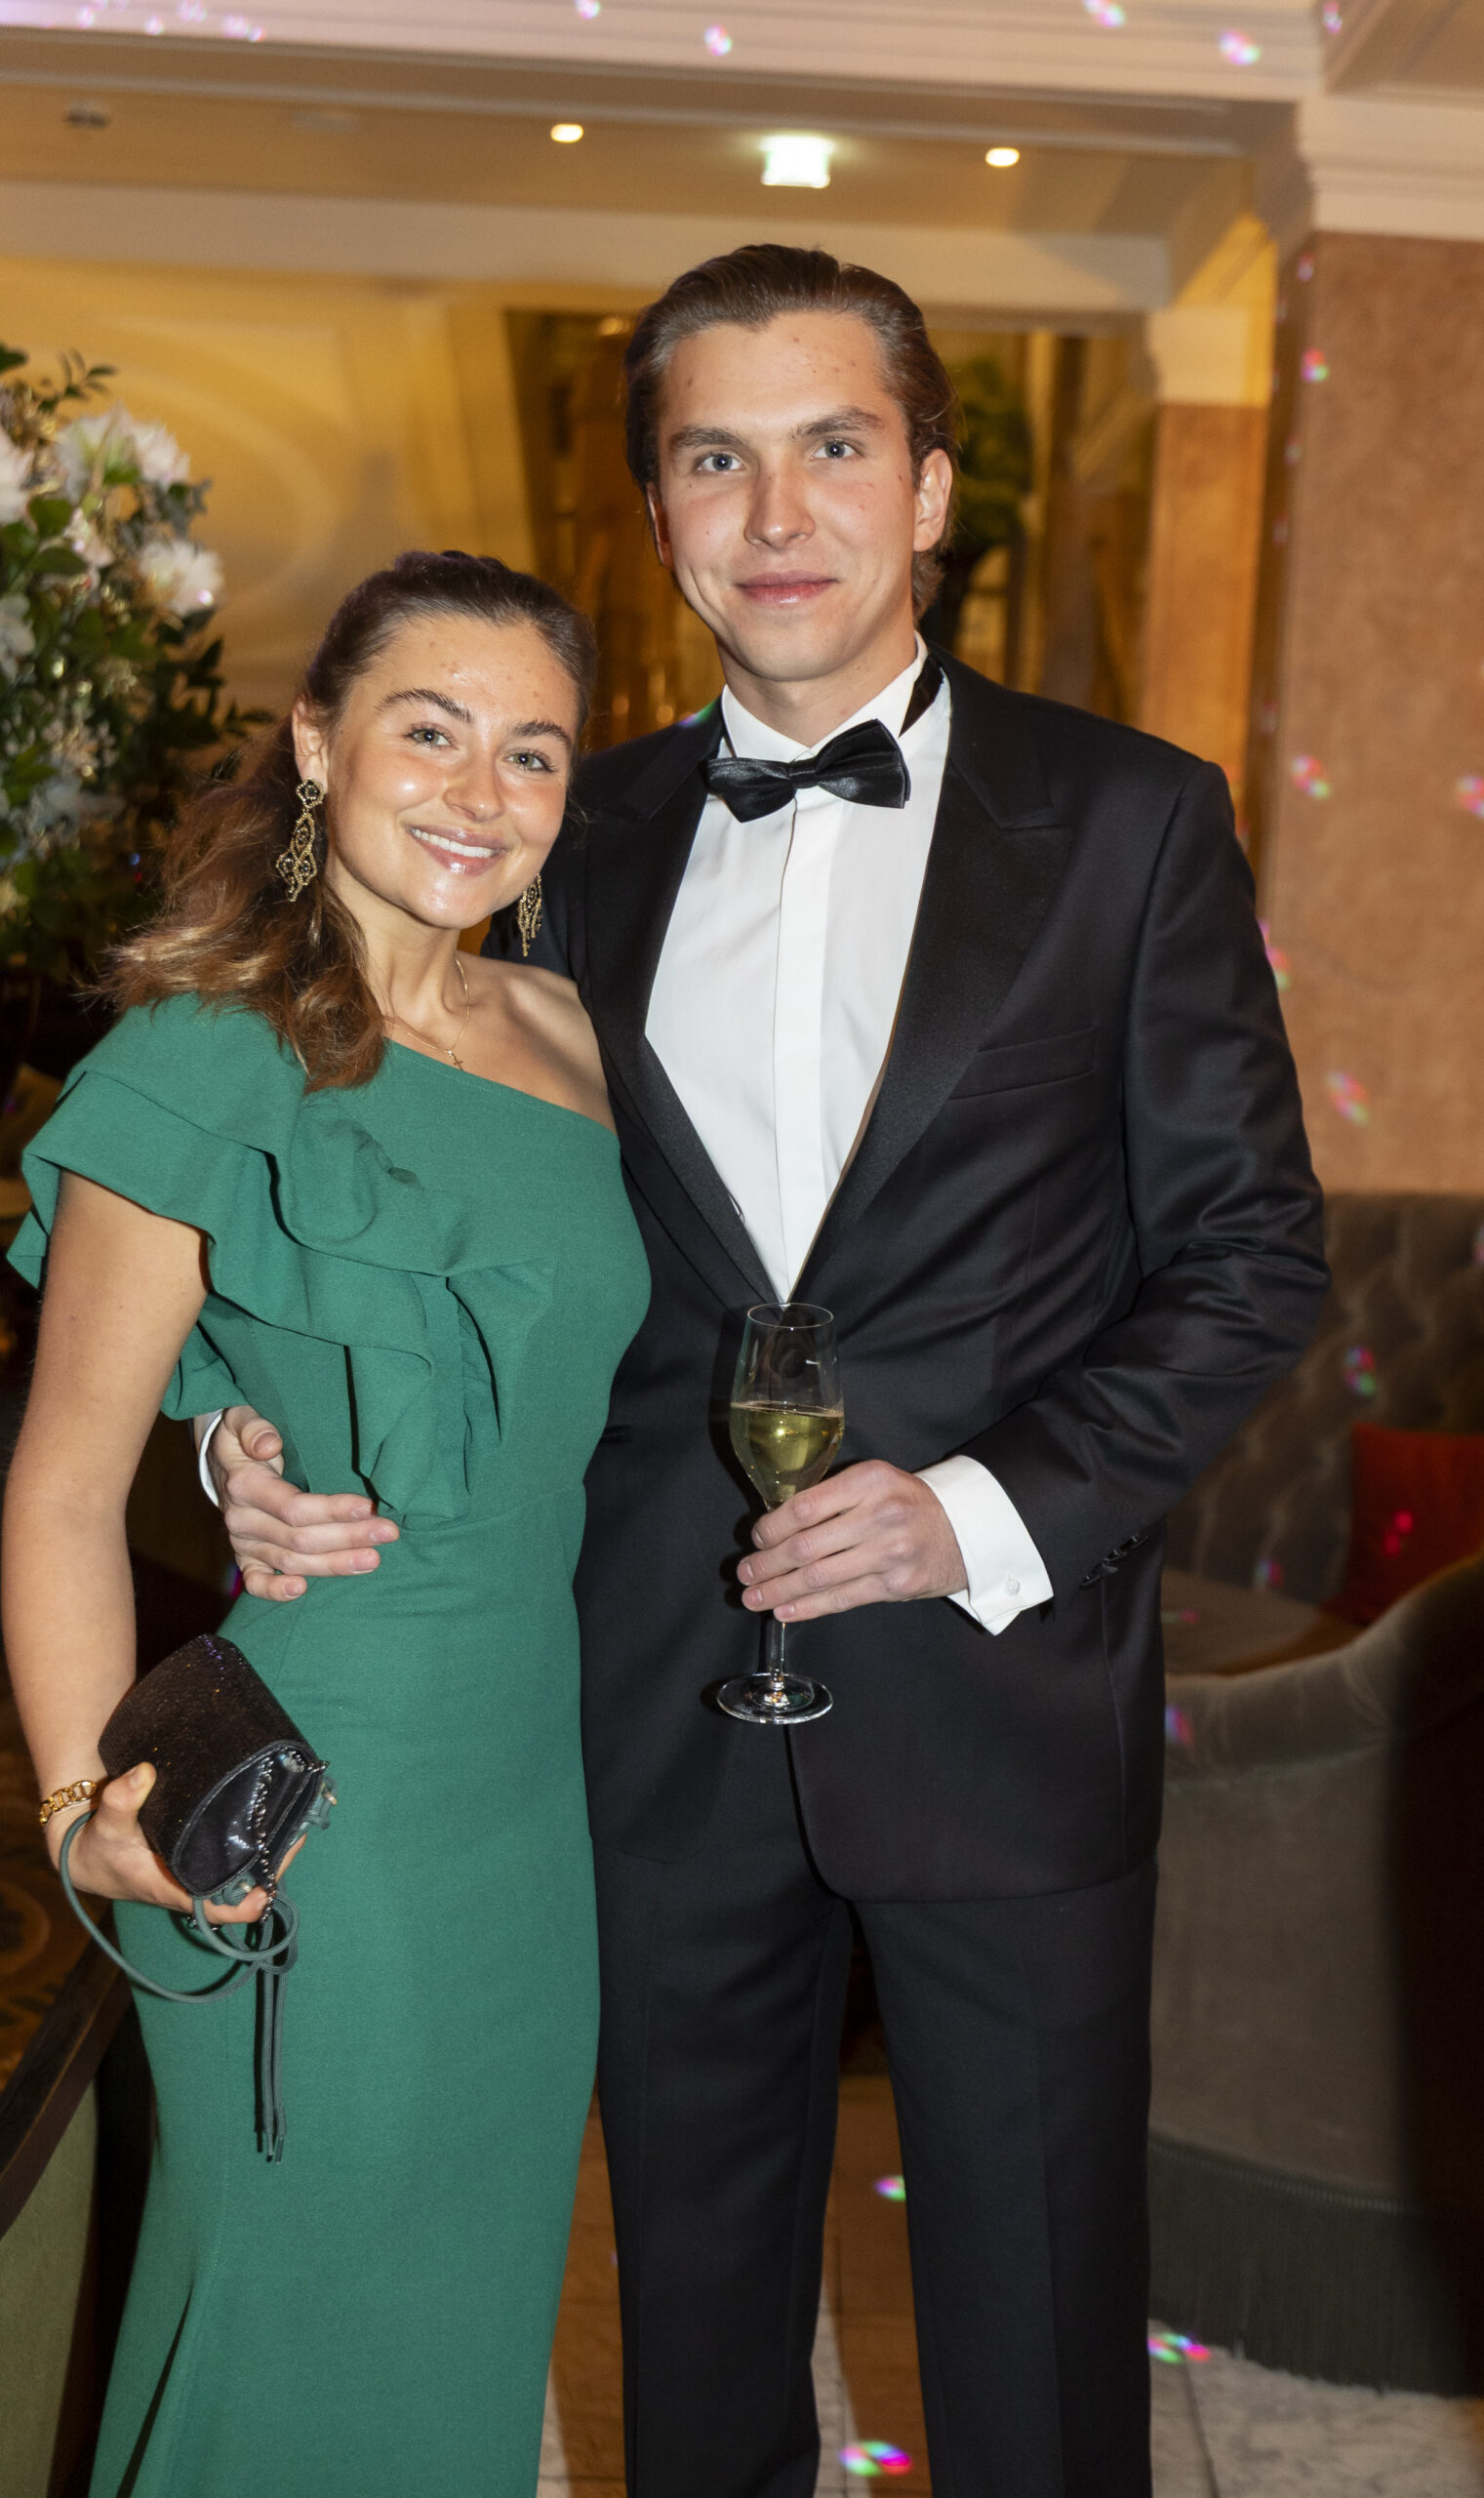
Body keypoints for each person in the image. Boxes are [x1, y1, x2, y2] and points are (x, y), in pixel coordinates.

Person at [207, 247, 1329, 2498]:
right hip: (642, 1682)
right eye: (715, 457)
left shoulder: (1129, 819)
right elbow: (376, 1180)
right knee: (694, 2313)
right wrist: (241, 1423)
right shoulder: (558, 827)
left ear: (928, 488)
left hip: (999, 1688)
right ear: (657, 512)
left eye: (833, 445)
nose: (778, 509)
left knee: (1029, 2326)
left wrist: (973, 1508)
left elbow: (1246, 1257)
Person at [5, 549, 647, 2498]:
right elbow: (56, 1484)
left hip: (527, 1807)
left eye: (531, 752)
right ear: (315, 743)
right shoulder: (201, 1053)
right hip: (316, 1807)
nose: (478, 790)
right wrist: (81, 1809)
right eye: (427, 731)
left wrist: (233, 1434)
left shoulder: (570, 1037)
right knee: (288, 2340)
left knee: (459, 2351)